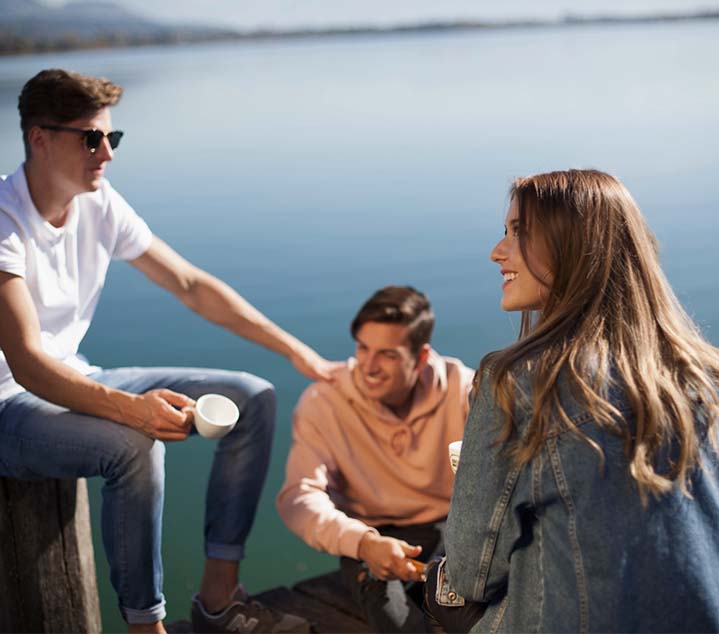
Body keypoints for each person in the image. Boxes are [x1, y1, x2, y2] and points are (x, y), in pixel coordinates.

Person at [0, 69, 338, 634]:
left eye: (113, 138)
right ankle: (145, 627)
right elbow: (29, 363)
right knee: (135, 445)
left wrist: (296, 351)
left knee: (252, 399)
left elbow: (189, 284)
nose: (106, 153)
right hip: (10, 404)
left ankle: (218, 601)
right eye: (91, 138)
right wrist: (132, 409)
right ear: (39, 138)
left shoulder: (99, 202)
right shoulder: (5, 220)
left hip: (72, 377)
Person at [425, 169, 719, 632]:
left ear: (575, 245)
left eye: (519, 232)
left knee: (439, 585)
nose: (496, 251)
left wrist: (443, 573)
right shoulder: (709, 373)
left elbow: (473, 572)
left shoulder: (518, 381)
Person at [276, 285, 474, 632]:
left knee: (471, 610)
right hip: (372, 536)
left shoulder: (463, 389)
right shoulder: (323, 402)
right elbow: (299, 497)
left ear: (422, 356)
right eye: (363, 348)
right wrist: (363, 542)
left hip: (452, 526)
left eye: (388, 355)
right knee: (394, 619)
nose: (369, 367)